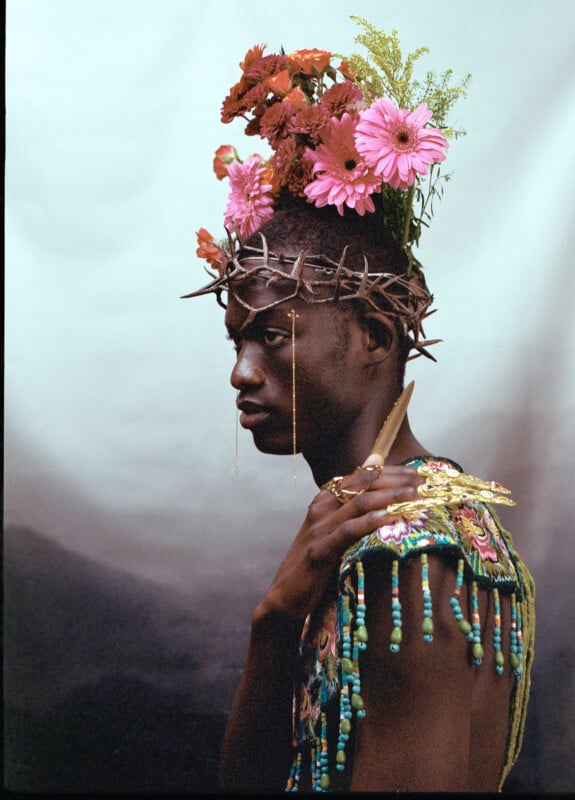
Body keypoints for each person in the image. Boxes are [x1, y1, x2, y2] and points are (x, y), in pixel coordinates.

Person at [189, 23, 534, 793]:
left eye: (273, 337)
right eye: (236, 341)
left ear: (375, 336)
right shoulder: (406, 517)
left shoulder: (406, 552)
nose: (242, 373)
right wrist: (273, 619)